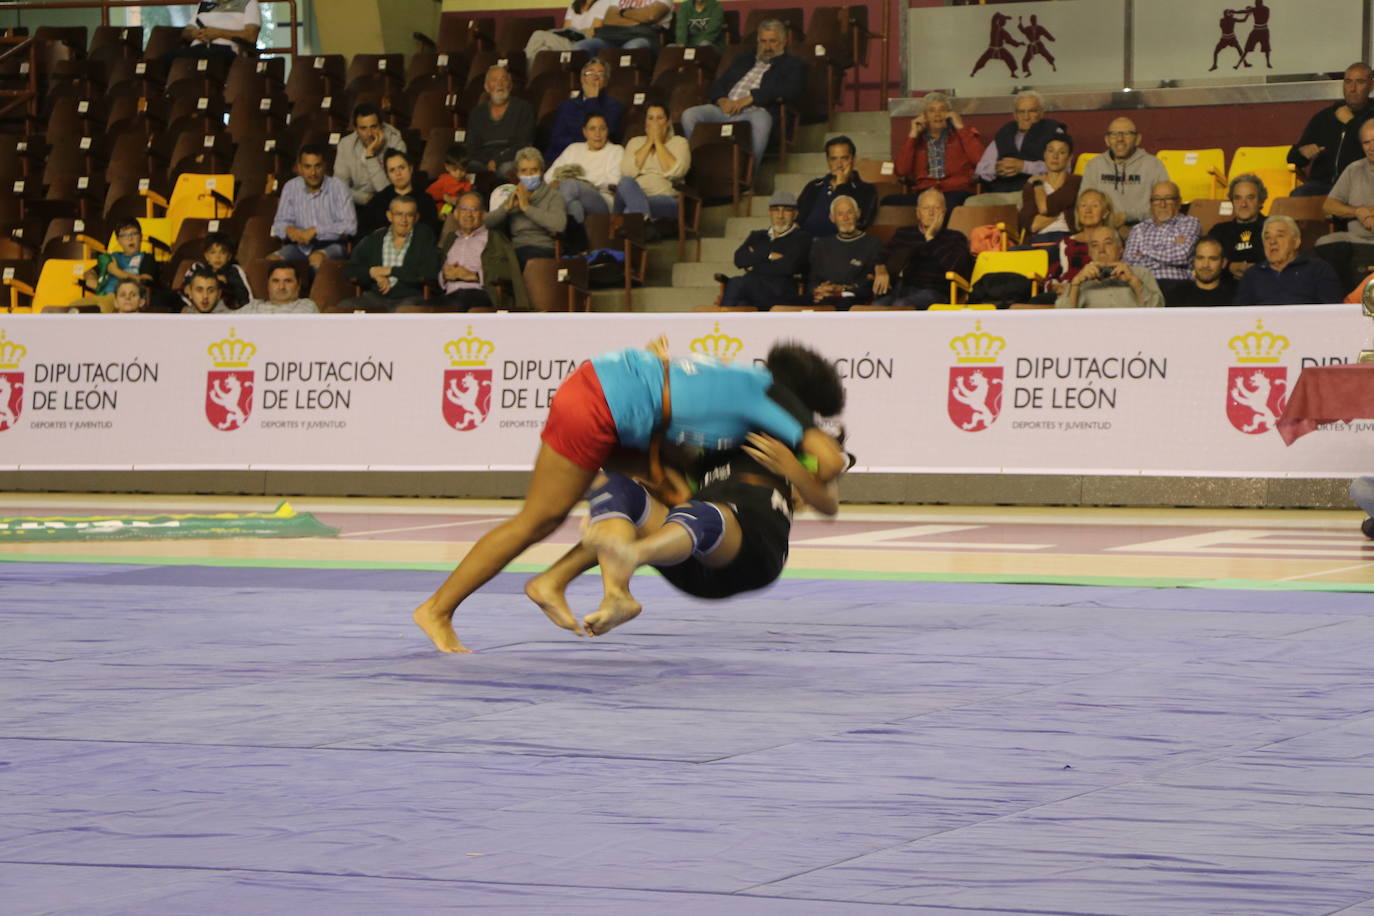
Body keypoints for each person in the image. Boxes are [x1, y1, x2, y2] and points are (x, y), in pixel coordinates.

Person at [411, 339, 849, 653]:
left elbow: (679, 406)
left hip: (614, 394)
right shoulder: (775, 396)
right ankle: (438, 609)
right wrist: (798, 464)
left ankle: (565, 583)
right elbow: (829, 462)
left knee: (641, 497)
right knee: (539, 520)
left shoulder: (742, 381)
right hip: (604, 402)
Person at [533, 420, 846, 637]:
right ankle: (608, 593)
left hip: (752, 555)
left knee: (700, 513)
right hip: (687, 552)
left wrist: (795, 471)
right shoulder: (708, 442)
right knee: (618, 488)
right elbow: (650, 454)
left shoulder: (800, 438)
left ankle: (634, 553)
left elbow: (827, 501)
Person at [681, 19, 806, 169]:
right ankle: (696, 168)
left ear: (784, 42)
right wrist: (721, 100)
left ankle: (748, 176)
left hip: (753, 112)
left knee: (763, 120)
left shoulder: (793, 64)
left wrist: (751, 98)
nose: (767, 47)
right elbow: (719, 83)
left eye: (772, 41)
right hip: (724, 109)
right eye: (763, 41)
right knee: (689, 115)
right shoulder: (743, 59)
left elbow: (791, 90)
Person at [872, 189, 972, 309]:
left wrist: (931, 238)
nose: (931, 213)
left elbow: (955, 267)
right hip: (902, 288)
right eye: (926, 208)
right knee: (876, 307)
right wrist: (881, 270)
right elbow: (880, 258)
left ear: (944, 212)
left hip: (936, 292)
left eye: (936, 208)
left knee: (902, 306)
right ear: (918, 213)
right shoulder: (904, 233)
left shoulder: (955, 237)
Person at [340, 195, 440, 312]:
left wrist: (390, 270)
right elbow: (349, 270)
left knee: (404, 314)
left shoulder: (424, 237)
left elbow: (430, 272)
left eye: (409, 215)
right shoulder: (375, 238)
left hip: (409, 298)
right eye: (399, 214)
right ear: (389, 216)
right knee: (344, 307)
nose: (404, 220)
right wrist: (372, 272)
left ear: (416, 217)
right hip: (375, 298)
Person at [1288, 63, 1374, 197]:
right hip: (1322, 185)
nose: (1352, 88)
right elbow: (1292, 158)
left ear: (1371, 85)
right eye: (1348, 82)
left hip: (1361, 185)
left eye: (1360, 82)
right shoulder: (1324, 117)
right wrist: (1302, 152)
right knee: (1297, 196)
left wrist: (1350, 122)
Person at [970, 91, 1069, 207]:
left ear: (1041, 113)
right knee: (972, 204)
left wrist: (1024, 166)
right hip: (1001, 193)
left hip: (1037, 192)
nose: (1026, 117)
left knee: (1023, 207)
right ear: (1015, 115)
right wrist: (996, 168)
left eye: (1032, 111)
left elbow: (1065, 168)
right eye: (1021, 112)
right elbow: (981, 169)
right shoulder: (1005, 133)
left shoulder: (1054, 131)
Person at [714, 190, 810, 309]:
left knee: (736, 283)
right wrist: (768, 255)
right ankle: (724, 321)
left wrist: (754, 264)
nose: (780, 216)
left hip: (780, 293)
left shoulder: (802, 238)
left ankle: (720, 321)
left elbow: (789, 267)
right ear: (769, 213)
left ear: (795, 214)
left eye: (786, 210)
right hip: (752, 292)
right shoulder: (757, 236)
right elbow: (739, 259)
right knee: (741, 305)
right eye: (775, 210)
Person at [437, 191, 530, 311]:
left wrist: (474, 275)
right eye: (464, 209)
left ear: (484, 215)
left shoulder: (495, 238)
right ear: (456, 214)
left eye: (474, 210)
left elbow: (508, 272)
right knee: (413, 305)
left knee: (459, 299)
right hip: (448, 295)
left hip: (480, 295)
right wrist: (444, 275)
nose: (468, 214)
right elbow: (440, 274)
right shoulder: (451, 239)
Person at [269, 144, 357, 269]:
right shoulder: (290, 187)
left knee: (316, 259)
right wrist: (288, 230)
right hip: (298, 247)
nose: (313, 172)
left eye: (317, 166)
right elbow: (278, 224)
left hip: (332, 246)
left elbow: (350, 226)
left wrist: (316, 230)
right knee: (272, 261)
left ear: (325, 166)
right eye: (307, 167)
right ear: (299, 168)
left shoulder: (339, 187)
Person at [894, 91, 985, 211]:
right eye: (931, 111)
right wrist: (913, 135)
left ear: (950, 114)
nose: (937, 114)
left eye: (942, 110)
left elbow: (981, 162)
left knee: (947, 205)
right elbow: (901, 170)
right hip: (925, 193)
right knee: (890, 202)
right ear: (924, 116)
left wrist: (961, 127)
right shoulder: (916, 140)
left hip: (955, 191)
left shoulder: (963, 135)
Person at [484, 147, 568, 268]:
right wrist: (506, 208)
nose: (529, 175)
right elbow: (487, 223)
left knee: (519, 260)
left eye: (534, 170)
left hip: (542, 249)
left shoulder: (554, 196)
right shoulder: (515, 194)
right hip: (515, 249)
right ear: (518, 174)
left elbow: (560, 225)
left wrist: (527, 208)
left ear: (542, 172)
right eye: (524, 171)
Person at [1234, 214, 1344, 305]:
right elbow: (1241, 317)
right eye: (1267, 237)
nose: (1272, 241)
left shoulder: (1318, 269)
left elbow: (1332, 314)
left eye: (1280, 236)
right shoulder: (1252, 275)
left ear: (1296, 242)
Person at [1081, 117, 1170, 226]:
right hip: (1105, 227)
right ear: (1107, 140)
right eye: (1114, 134)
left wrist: (1126, 217)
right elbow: (1083, 204)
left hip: (1144, 227)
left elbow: (1164, 206)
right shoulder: (1094, 165)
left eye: (1127, 133)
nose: (1120, 139)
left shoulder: (1154, 165)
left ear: (1137, 139)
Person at [1317, 119, 1374, 288]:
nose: (1371, 147)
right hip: (1355, 240)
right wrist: (1357, 212)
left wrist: (1369, 212)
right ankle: (1340, 303)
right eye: (1366, 142)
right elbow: (1329, 205)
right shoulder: (1354, 169)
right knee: (1325, 244)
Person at [614, 102, 691, 223]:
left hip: (665, 199)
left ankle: (640, 220)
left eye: (660, 118)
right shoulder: (634, 142)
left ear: (668, 122)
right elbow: (627, 171)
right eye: (650, 118)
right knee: (625, 182)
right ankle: (644, 220)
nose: (655, 123)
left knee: (628, 212)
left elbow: (677, 172)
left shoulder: (679, 142)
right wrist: (649, 142)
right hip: (634, 194)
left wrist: (658, 142)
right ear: (645, 122)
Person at [1123, 181, 1201, 298]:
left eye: (1168, 199)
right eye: (1157, 199)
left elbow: (1182, 255)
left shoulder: (1190, 223)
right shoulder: (1139, 229)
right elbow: (1129, 263)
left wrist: (1144, 252)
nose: (1162, 204)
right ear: (1151, 203)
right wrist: (1170, 251)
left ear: (1178, 202)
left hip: (1177, 285)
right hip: (1143, 285)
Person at [1056, 225, 1163, 308]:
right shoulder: (1081, 278)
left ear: (1121, 250)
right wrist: (1075, 284)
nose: (1101, 250)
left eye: (1108, 243)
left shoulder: (1141, 273)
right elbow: (1062, 317)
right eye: (1095, 245)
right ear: (1090, 253)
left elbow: (1157, 310)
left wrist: (1133, 281)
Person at [545, 112, 625, 224]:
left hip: (602, 200)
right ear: (585, 132)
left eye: (602, 129)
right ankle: (575, 239)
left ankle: (548, 224)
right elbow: (549, 177)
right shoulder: (573, 149)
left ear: (607, 131)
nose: (598, 134)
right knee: (575, 206)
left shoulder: (615, 150)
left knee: (570, 185)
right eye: (592, 129)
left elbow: (613, 183)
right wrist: (556, 182)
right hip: (570, 195)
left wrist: (582, 184)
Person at [463, 66, 536, 181]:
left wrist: (497, 160)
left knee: (506, 168)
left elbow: (523, 144)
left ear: (510, 85)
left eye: (504, 79)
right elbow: (471, 147)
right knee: (465, 168)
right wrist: (489, 161)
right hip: (483, 160)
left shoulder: (523, 108)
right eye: (494, 80)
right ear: (487, 87)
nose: (500, 84)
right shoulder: (477, 113)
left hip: (511, 158)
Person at [808, 195, 882, 307]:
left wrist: (841, 290)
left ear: (858, 214)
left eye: (850, 212)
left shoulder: (873, 244)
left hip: (852, 301)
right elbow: (812, 280)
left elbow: (869, 286)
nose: (845, 218)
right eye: (840, 214)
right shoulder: (820, 245)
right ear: (832, 218)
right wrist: (817, 291)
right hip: (823, 299)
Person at [796, 136, 877, 238]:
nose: (839, 165)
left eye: (844, 158)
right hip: (808, 245)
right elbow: (797, 220)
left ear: (853, 159)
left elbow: (859, 225)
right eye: (833, 159)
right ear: (828, 161)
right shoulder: (814, 186)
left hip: (841, 247)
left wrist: (841, 186)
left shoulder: (866, 190)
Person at [70, 219, 157, 312]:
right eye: (124, 235)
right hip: (104, 296)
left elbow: (145, 280)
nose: (130, 238)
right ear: (118, 240)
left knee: (103, 306)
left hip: (125, 299)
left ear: (140, 237)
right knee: (73, 307)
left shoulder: (146, 258)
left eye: (134, 234)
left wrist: (116, 272)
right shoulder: (112, 257)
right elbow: (89, 272)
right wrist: (93, 281)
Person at [546, 59, 624, 163]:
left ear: (605, 82)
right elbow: (557, 140)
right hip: (565, 157)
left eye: (600, 74)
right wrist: (580, 145)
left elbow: (600, 137)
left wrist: (592, 100)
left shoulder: (614, 106)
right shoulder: (566, 106)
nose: (595, 77)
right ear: (583, 78)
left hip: (597, 159)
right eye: (590, 73)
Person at [334, 103, 406, 208]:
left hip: (388, 206)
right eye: (363, 128)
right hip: (355, 203)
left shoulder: (396, 144)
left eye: (374, 127)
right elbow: (339, 188)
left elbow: (390, 193)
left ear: (381, 126)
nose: (369, 134)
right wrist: (365, 198)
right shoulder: (346, 145)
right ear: (356, 129)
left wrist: (371, 157)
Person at [359, 148, 441, 239]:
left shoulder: (426, 200)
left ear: (410, 169)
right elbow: (363, 231)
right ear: (388, 175)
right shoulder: (379, 200)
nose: (398, 173)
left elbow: (431, 233)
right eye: (392, 170)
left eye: (401, 167)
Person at [1016, 134, 1079, 245]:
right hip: (1039, 239)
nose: (1055, 156)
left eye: (1061, 152)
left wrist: (1038, 185)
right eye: (1050, 151)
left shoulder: (1075, 181)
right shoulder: (1030, 186)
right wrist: (1060, 212)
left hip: (1067, 238)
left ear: (1069, 157)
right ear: (1044, 154)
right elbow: (1032, 225)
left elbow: (1045, 208)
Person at [1048, 188, 1116, 290]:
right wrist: (1056, 287)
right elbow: (1052, 276)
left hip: (1099, 291)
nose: (1088, 210)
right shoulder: (1065, 243)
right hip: (1066, 292)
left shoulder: (1113, 241)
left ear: (1105, 213)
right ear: (1078, 212)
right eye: (1083, 205)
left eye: (1095, 205)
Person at [1209, 174, 1267, 279]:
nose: (1243, 204)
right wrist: (1229, 267)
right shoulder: (1219, 231)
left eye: (1250, 198)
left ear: (1261, 201)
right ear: (1232, 201)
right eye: (1237, 198)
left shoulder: (1273, 227)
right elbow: (1206, 262)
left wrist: (1259, 269)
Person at [169, 0, 260, 64]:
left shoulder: (248, 2)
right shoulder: (205, 3)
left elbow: (251, 36)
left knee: (190, 63)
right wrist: (194, 34)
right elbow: (186, 32)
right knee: (163, 61)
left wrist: (218, 33)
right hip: (197, 48)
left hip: (225, 50)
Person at [178, 231, 251, 311]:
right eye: (213, 252)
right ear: (206, 256)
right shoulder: (198, 268)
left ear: (229, 256)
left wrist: (226, 285)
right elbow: (184, 290)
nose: (217, 257)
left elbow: (245, 297)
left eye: (223, 252)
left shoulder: (234, 271)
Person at [574, 0, 672, 55]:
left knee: (631, 48)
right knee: (580, 47)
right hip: (611, 38)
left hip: (644, 38)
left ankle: (622, 88)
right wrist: (639, 18)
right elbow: (609, 18)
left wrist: (621, 13)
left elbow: (651, 16)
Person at [1165, 237, 1238, 307]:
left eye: (1213, 259)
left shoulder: (1237, 295)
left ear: (1224, 263)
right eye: (1200, 258)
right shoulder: (1176, 294)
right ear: (1193, 261)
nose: (1205, 265)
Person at [237, 262, 319, 314]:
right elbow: (226, 323)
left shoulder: (307, 306)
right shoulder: (253, 306)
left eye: (288, 281)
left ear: (298, 285)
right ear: (268, 284)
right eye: (275, 281)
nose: (281, 287)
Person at [425, 144, 474, 218]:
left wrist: (459, 200)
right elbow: (429, 192)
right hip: (441, 208)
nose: (458, 173)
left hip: (457, 210)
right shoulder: (444, 179)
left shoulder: (466, 183)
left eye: (462, 170)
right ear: (447, 167)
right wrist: (445, 197)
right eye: (455, 170)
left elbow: (468, 199)